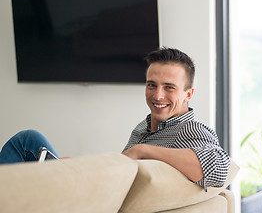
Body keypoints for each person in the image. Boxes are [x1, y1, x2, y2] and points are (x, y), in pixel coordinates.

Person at [0, 47, 230, 190]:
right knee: (37, 152)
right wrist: (82, 165)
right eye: (152, 85)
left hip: (97, 203)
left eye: (169, 87)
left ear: (189, 93)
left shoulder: (191, 131)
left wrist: (143, 150)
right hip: (99, 189)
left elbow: (219, 168)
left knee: (27, 141)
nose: (157, 95)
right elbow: (122, 171)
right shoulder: (146, 128)